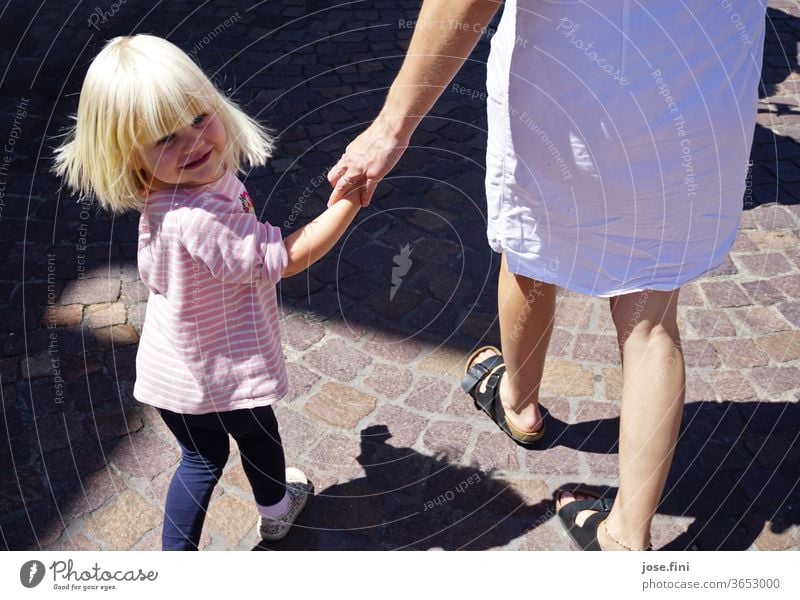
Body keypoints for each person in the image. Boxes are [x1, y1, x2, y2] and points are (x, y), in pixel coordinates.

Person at [328, 1, 766, 550]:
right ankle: (627, 539)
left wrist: (393, 126)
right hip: (702, 86)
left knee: (531, 250)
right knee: (651, 318)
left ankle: (519, 404)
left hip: (573, 94)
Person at [53, 34, 361, 550]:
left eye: (198, 119)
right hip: (221, 371)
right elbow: (283, 259)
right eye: (164, 139)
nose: (193, 142)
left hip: (177, 369)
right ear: (130, 155)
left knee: (202, 459)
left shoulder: (172, 188)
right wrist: (349, 204)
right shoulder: (198, 217)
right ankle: (271, 512)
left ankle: (195, 551)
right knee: (252, 438)